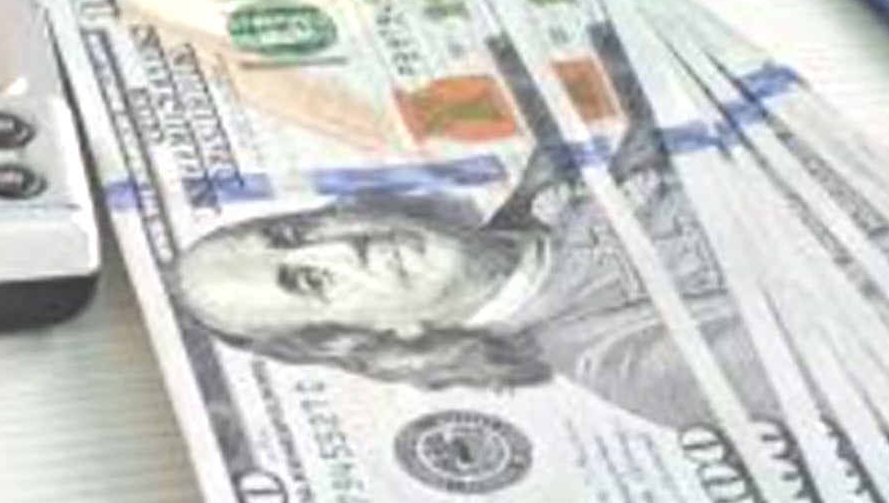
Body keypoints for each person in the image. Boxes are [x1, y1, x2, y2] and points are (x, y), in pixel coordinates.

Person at [171, 130, 748, 433]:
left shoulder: (560, 149)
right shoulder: (629, 363)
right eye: (309, 279)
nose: (345, 247)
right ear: (385, 335)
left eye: (294, 233)